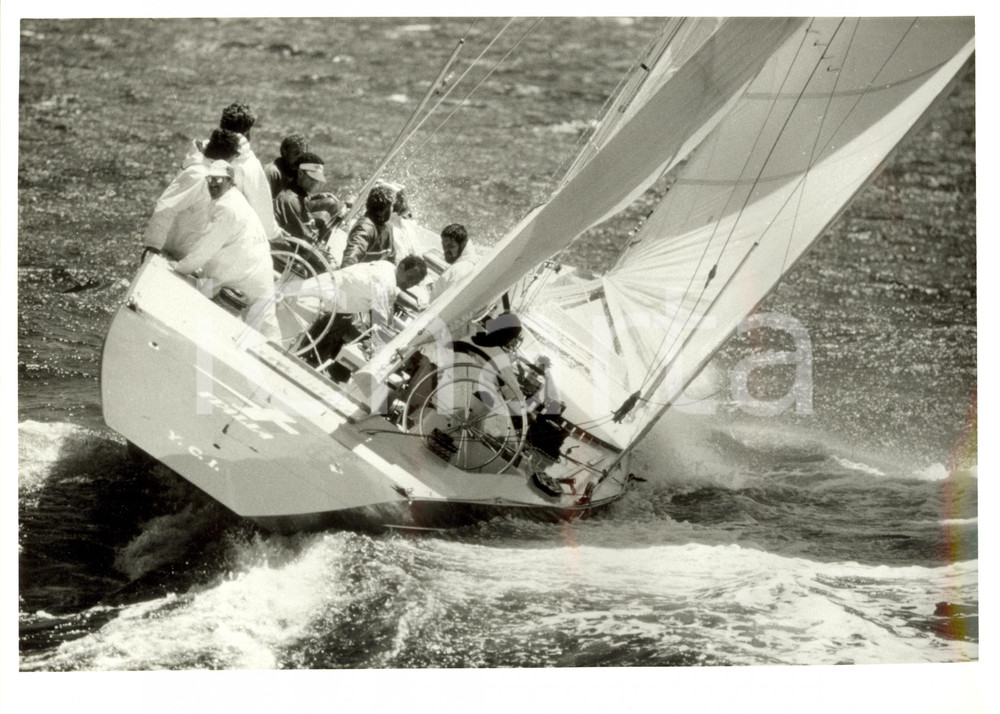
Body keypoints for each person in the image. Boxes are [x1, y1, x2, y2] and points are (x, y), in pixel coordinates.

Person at [171, 160, 280, 341]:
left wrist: (180, 267)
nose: (213, 183)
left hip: (246, 275)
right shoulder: (231, 199)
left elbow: (206, 248)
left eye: (219, 179)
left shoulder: (227, 207)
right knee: (266, 327)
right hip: (253, 270)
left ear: (230, 181)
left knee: (264, 330)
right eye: (210, 178)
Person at [287, 255, 428, 373]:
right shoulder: (385, 281)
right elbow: (382, 319)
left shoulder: (388, 267)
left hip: (321, 300)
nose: (409, 284)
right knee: (285, 342)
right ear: (402, 267)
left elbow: (396, 293)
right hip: (311, 302)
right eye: (409, 278)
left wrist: (418, 306)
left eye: (414, 283)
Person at [184, 102, 284, 242]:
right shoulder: (247, 163)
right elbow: (261, 205)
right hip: (225, 236)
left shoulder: (198, 152)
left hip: (190, 227)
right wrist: (274, 234)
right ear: (247, 132)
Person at [142, 128, 242, 262]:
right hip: (172, 254)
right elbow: (166, 208)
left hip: (191, 256)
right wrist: (153, 248)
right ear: (229, 156)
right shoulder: (198, 175)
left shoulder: (211, 173)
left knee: (211, 280)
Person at [272, 152, 343, 248]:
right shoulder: (290, 201)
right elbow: (305, 240)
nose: (317, 182)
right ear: (300, 173)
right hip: (290, 252)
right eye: (313, 178)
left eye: (318, 178)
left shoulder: (294, 195)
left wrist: (315, 197)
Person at [341, 184, 395, 267]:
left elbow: (391, 260)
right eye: (391, 206)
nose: (393, 209)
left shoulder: (388, 227)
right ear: (385, 209)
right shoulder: (364, 227)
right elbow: (349, 260)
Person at [429, 223, 476, 299]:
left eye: (451, 246)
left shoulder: (460, 270)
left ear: (463, 245)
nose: (446, 250)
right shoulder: (463, 264)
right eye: (444, 246)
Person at [265, 133, 309, 198]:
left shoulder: (298, 172)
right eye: (296, 153)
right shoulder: (273, 172)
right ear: (284, 152)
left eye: (303, 154)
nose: (300, 158)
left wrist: (313, 199)